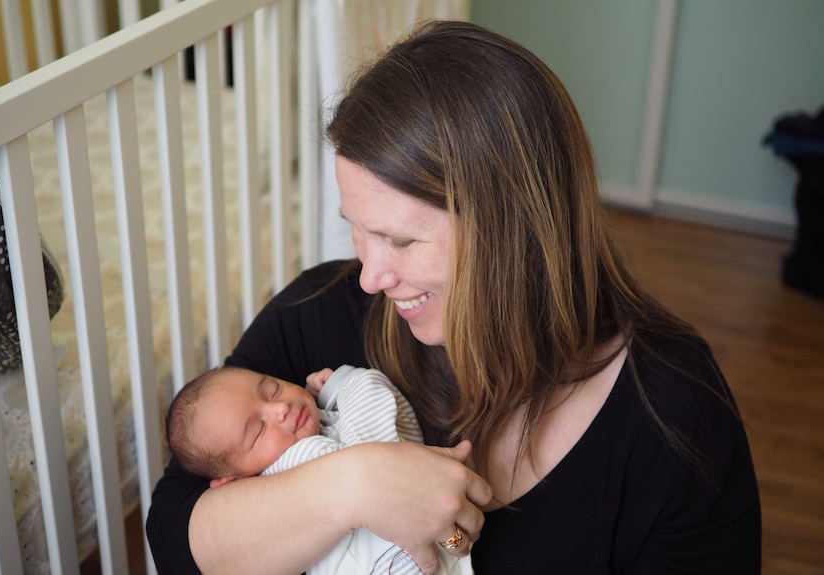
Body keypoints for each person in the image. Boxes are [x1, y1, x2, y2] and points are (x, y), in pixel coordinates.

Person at [147, 19, 761, 574]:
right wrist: (351, 485)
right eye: (357, 230)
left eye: (400, 239)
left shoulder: (675, 416)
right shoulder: (320, 313)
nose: (369, 276)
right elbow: (177, 532)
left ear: (514, 226)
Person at [165, 364, 472, 575]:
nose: (280, 408)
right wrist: (344, 384)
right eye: (257, 430)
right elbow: (377, 451)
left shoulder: (329, 425)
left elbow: (404, 429)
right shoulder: (294, 464)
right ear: (234, 480)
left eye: (272, 390)